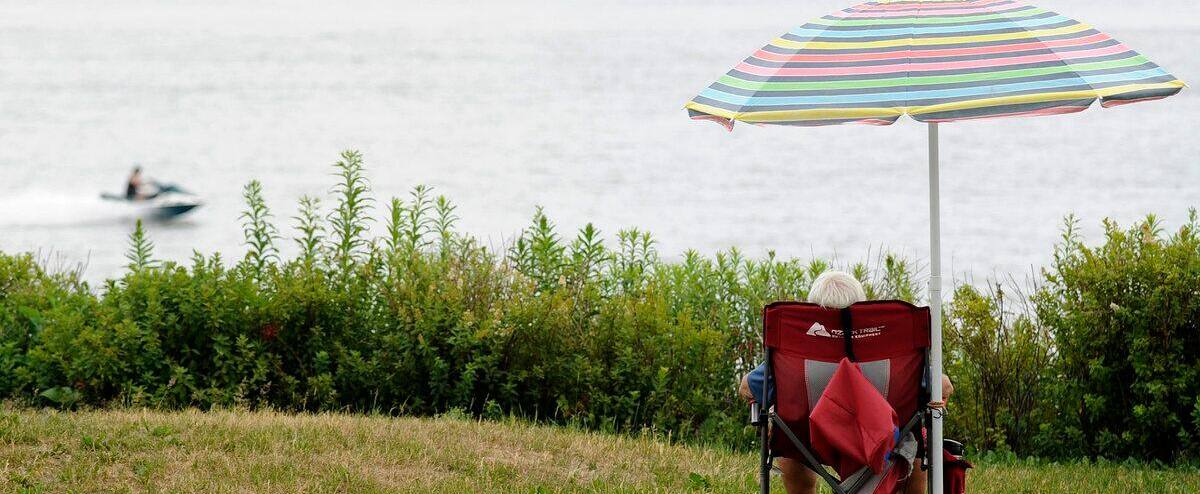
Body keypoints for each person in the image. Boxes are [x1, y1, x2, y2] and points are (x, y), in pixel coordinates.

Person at [738, 270, 954, 494]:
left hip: (806, 442)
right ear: (860, 307)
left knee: (788, 429)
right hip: (882, 441)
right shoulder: (888, 346)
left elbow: (747, 388)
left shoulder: (798, 347)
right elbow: (943, 387)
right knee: (916, 430)